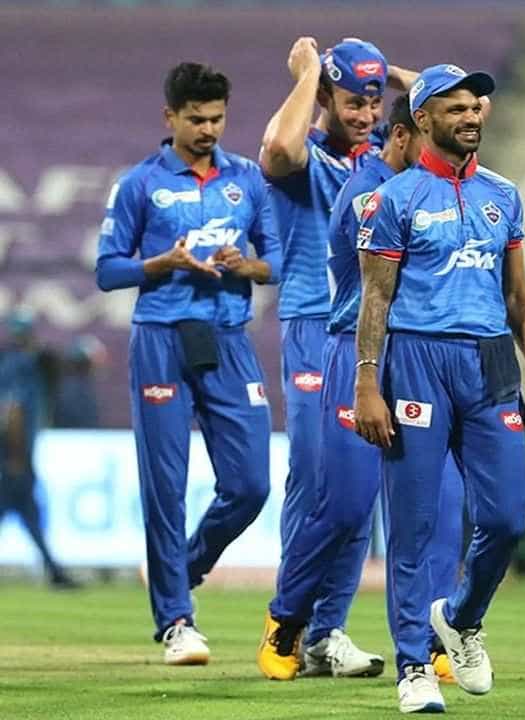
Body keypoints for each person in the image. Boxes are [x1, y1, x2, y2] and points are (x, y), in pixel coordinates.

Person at [353, 63, 525, 714]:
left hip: (491, 361)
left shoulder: (504, 194)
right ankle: (414, 665)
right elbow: (375, 298)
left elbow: (518, 296)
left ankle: (461, 618)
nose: (471, 117)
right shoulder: (394, 199)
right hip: (418, 358)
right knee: (413, 525)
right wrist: (366, 382)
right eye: (456, 108)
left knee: (507, 517)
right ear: (423, 119)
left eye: (476, 107)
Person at [257, 93, 465, 683]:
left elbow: (458, 106)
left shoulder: (437, 185)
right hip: (357, 351)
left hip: (421, 358)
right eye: (430, 136)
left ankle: (434, 638)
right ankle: (287, 619)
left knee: (441, 506)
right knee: (347, 505)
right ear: (402, 137)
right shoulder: (368, 193)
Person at [95, 62, 280, 665]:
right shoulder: (139, 184)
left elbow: (277, 260)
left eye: (217, 118)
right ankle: (176, 620)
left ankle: (182, 567)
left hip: (226, 339)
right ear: (169, 117)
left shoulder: (248, 179)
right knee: (165, 486)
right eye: (196, 119)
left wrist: (245, 265)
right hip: (162, 340)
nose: (208, 130)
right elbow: (107, 270)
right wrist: (162, 264)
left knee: (251, 485)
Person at [259, 36, 417, 675]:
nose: (367, 114)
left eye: (375, 103)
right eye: (354, 102)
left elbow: (457, 101)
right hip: (312, 327)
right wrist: (307, 74)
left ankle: (327, 631)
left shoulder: (383, 154)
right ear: (326, 97)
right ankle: (292, 626)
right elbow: (277, 148)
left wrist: (384, 71)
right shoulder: (306, 159)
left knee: (359, 490)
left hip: (371, 334)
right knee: (314, 476)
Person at [0, 310, 77, 588]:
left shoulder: (11, 362)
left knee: (28, 513)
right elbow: (13, 410)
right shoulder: (23, 365)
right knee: (26, 510)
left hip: (14, 455)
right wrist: (16, 456)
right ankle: (55, 571)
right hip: (15, 456)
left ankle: (54, 571)